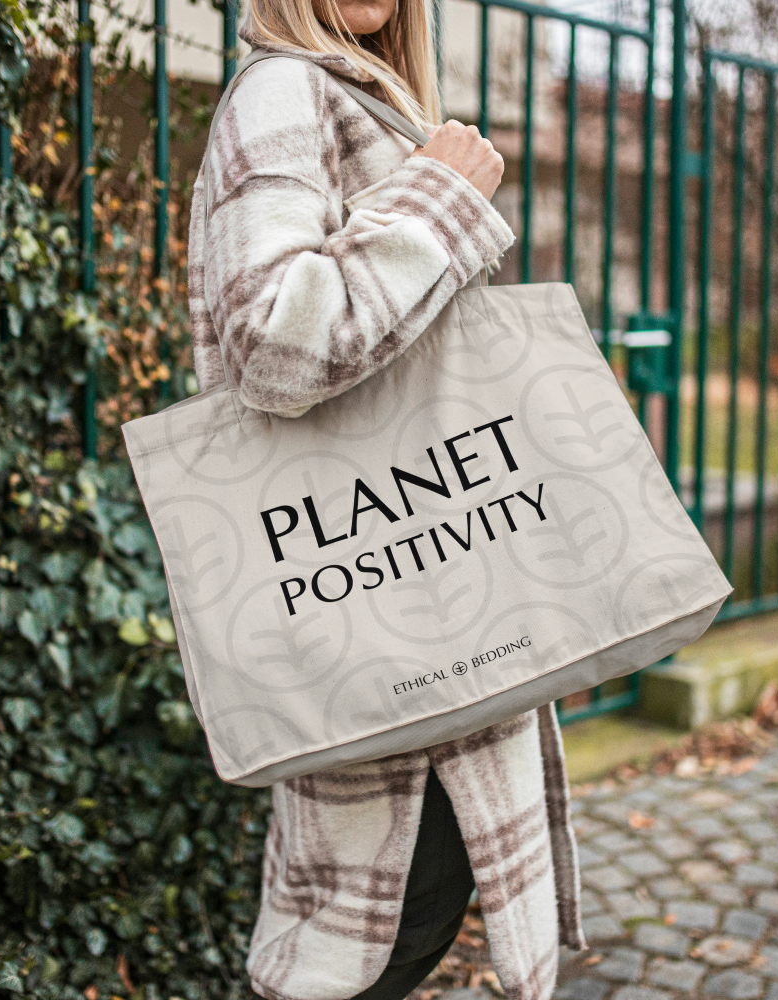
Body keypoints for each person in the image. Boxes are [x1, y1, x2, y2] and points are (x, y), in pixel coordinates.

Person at [187, 0, 586, 994]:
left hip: (413, 587)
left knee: (395, 926)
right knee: (369, 943)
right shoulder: (281, 89)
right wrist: (442, 199)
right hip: (382, 601)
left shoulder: (359, 89)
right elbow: (275, 344)